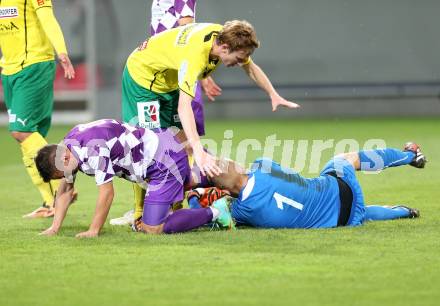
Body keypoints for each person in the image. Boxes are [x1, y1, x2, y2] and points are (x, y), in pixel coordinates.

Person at [122, 20, 299, 179]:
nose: (240, 63)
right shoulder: (194, 57)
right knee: (150, 145)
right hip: (142, 78)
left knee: (183, 145)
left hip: (169, 79)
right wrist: (199, 151)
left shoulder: (226, 37)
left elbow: (250, 68)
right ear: (224, 48)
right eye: (238, 59)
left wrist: (273, 94)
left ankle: (177, 205)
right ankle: (139, 212)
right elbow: (184, 107)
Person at [111, 0, 222, 226]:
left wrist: (203, 72)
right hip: (163, 75)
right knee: (167, 144)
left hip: (174, 77)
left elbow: (187, 27)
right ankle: (171, 205)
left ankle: (167, 206)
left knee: (161, 144)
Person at [35, 119, 234, 238]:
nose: (66, 177)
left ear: (64, 158)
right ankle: (231, 173)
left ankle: (218, 212)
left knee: (153, 228)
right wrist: (55, 227)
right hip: (162, 147)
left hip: (161, 162)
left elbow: (107, 193)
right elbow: (66, 188)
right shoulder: (68, 144)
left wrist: (93, 230)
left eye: (62, 173)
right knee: (189, 180)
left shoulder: (92, 150)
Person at [190, 143, 426, 228]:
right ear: (240, 167)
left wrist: (196, 195)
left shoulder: (242, 211)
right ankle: (410, 156)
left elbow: (207, 212)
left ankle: (405, 212)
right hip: (338, 189)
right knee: (345, 159)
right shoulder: (263, 164)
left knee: (359, 215)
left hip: (339, 221)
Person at [0, 0, 75, 218]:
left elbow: (47, 18)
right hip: (9, 69)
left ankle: (66, 180)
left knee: (20, 131)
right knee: (29, 138)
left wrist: (61, 52)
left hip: (34, 65)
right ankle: (51, 202)